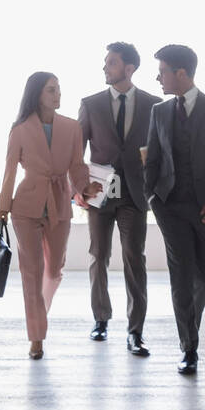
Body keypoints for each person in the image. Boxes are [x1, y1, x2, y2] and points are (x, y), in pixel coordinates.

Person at [143, 44, 205, 374]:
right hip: (170, 206)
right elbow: (152, 160)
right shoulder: (159, 112)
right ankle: (189, 348)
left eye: (163, 71)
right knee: (181, 276)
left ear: (181, 73)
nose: (158, 78)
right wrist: (151, 200)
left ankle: (189, 325)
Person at [0, 73, 101, 359]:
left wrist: (86, 188)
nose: (57, 95)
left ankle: (37, 312)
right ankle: (37, 337)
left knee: (54, 270)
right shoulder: (19, 130)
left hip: (60, 204)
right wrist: (2, 208)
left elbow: (77, 167)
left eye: (58, 90)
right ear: (37, 94)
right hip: (25, 209)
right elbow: (9, 172)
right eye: (51, 90)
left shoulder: (71, 128)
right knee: (31, 273)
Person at [76, 42, 160, 356]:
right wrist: (79, 189)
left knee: (134, 258)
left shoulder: (154, 105)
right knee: (98, 255)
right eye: (105, 62)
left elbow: (159, 152)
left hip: (135, 192)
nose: (105, 67)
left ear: (129, 68)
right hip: (101, 190)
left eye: (111, 63)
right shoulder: (91, 103)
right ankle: (101, 319)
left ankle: (135, 330)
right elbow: (77, 151)